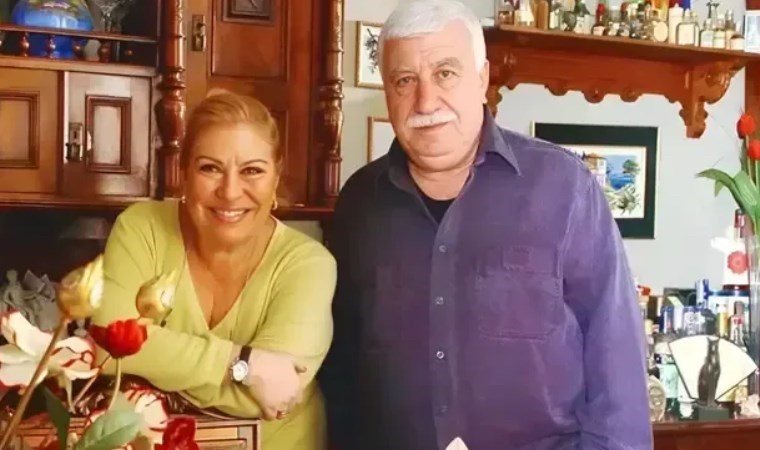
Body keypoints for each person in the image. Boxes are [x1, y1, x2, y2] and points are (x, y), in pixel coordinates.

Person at [318, 1, 652, 449]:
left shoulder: (564, 187)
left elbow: (617, 359)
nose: (426, 101)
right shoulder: (360, 203)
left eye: (445, 73)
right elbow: (342, 370)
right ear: (387, 91)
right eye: (404, 80)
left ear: (482, 79)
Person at [92, 92, 337, 450]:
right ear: (184, 173)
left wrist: (154, 369)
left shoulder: (308, 264)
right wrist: (242, 363)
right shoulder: (142, 228)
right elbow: (108, 347)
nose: (230, 191)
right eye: (210, 168)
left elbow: (271, 396)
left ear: (276, 176)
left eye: (252, 170)